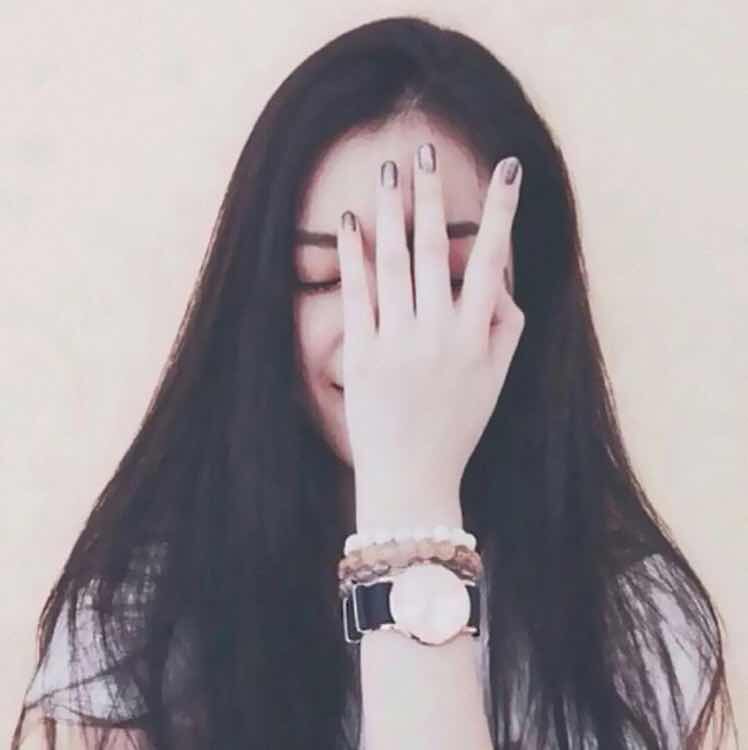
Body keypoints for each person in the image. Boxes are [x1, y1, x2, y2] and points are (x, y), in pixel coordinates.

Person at [11, 15, 736, 750]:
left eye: (450, 275)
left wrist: (414, 505)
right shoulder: (140, 624)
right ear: (261, 306)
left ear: (533, 299)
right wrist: (411, 527)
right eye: (329, 275)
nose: (390, 332)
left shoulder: (640, 623)